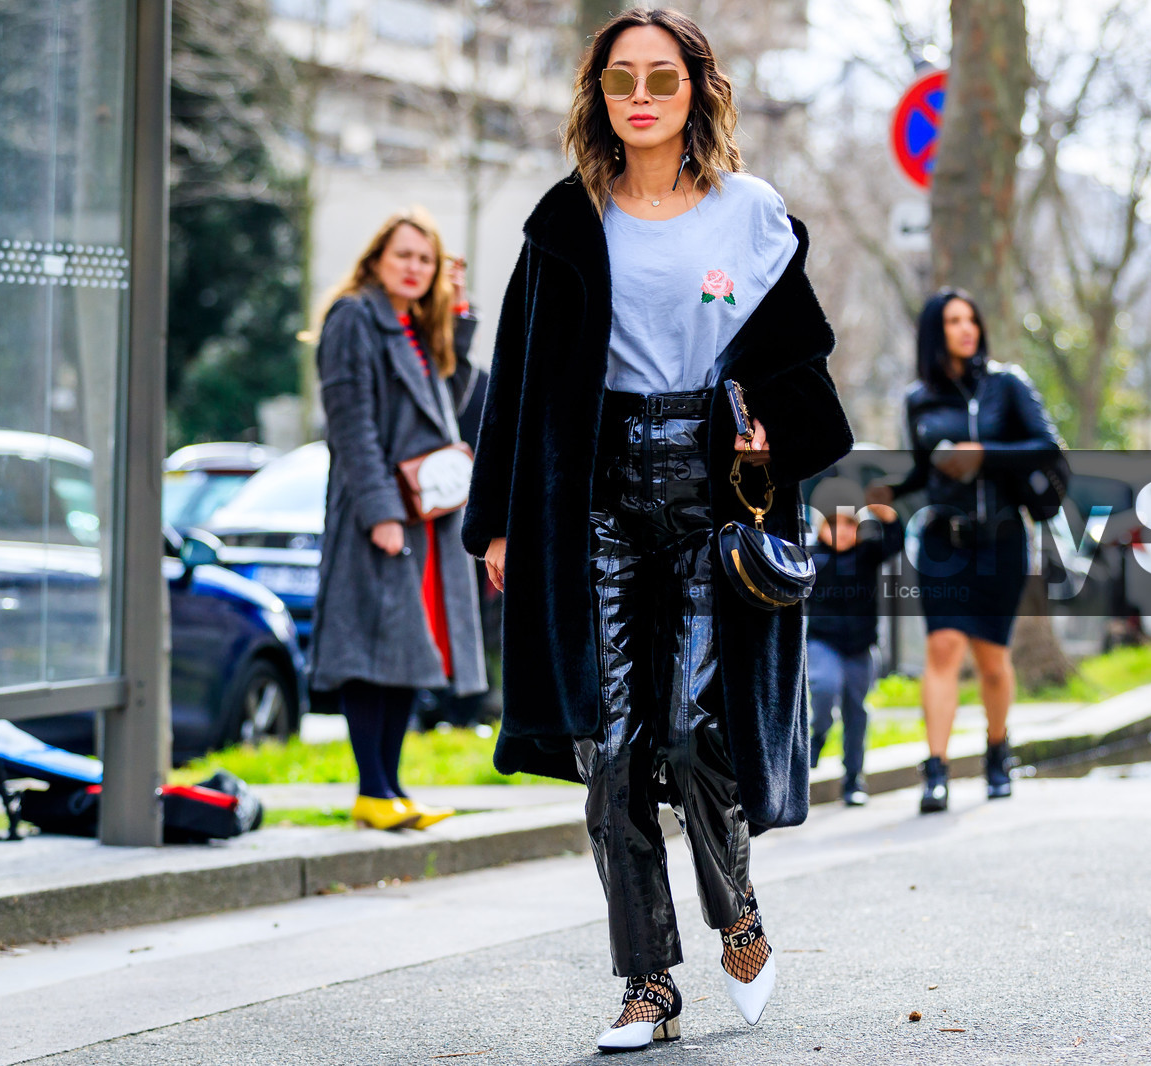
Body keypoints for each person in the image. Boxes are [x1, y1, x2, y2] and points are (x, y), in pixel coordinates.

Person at [461, 8, 851, 1052]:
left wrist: (771, 426)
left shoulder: (751, 213)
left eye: (661, 78)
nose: (640, 95)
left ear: (695, 92)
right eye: (621, 78)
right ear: (598, 94)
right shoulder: (566, 220)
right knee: (612, 747)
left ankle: (737, 909)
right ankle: (647, 984)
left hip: (710, 492)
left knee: (690, 730)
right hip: (594, 496)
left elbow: (801, 365)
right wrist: (496, 521)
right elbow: (519, 379)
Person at [310, 209, 488, 832]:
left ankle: (390, 789)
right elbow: (350, 424)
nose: (414, 267)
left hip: (423, 515)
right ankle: (373, 790)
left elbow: (446, 408)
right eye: (404, 255)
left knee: (411, 647)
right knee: (371, 649)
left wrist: (458, 321)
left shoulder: (413, 324)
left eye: (425, 259)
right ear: (376, 259)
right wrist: (380, 514)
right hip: (380, 512)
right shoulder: (354, 317)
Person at [870, 288, 1062, 815]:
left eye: (970, 319)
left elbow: (1047, 446)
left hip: (1002, 540)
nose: (966, 329)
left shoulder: (1007, 384)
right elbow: (924, 468)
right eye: (953, 321)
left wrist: (984, 453)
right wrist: (891, 490)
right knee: (943, 647)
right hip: (943, 542)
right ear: (937, 332)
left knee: (992, 661)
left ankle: (998, 752)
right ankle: (935, 771)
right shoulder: (919, 400)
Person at [804, 477, 902, 807]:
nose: (841, 532)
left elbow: (894, 543)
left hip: (861, 648)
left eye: (849, 524)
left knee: (856, 712)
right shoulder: (811, 559)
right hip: (823, 643)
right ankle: (817, 734)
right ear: (819, 528)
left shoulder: (867, 554)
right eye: (832, 524)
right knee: (824, 687)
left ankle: (853, 779)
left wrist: (888, 517)